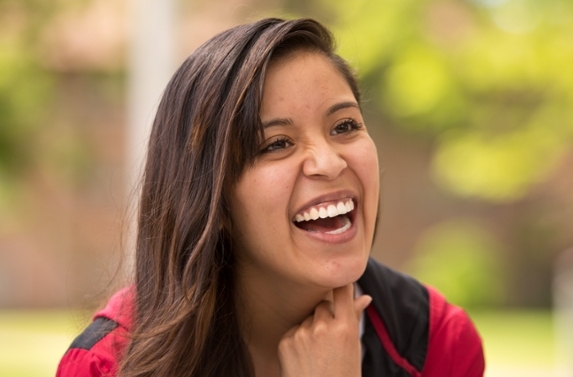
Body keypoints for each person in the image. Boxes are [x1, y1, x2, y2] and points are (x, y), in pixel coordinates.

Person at [56, 18, 484, 377]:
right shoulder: (107, 363)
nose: (329, 162)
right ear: (212, 201)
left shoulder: (435, 344)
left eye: (344, 126)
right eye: (276, 144)